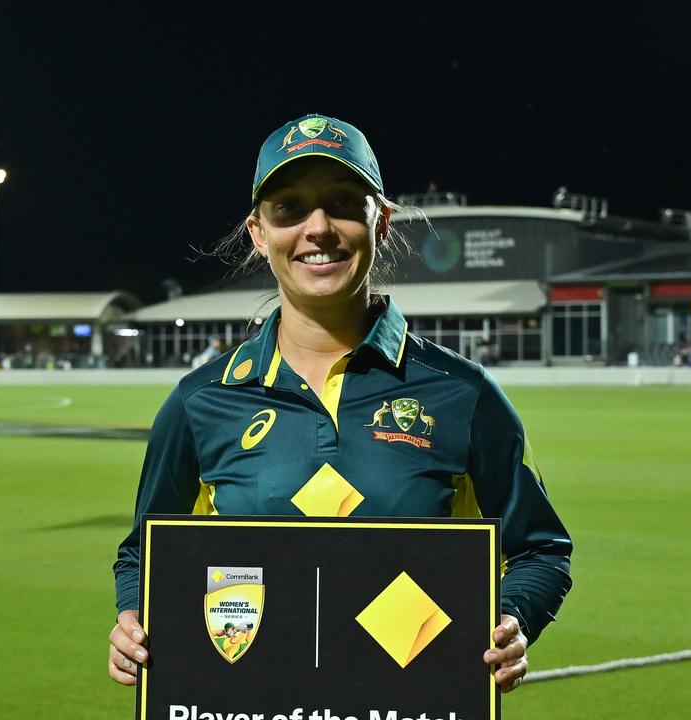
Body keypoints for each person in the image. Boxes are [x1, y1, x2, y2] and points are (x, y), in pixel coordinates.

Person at [107, 113, 573, 693]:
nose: (318, 228)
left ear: (381, 221)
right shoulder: (200, 403)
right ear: (258, 232)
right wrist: (133, 619)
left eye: (344, 202)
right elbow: (145, 553)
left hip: (413, 692)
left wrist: (512, 620)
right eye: (290, 208)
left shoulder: (463, 395)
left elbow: (541, 550)